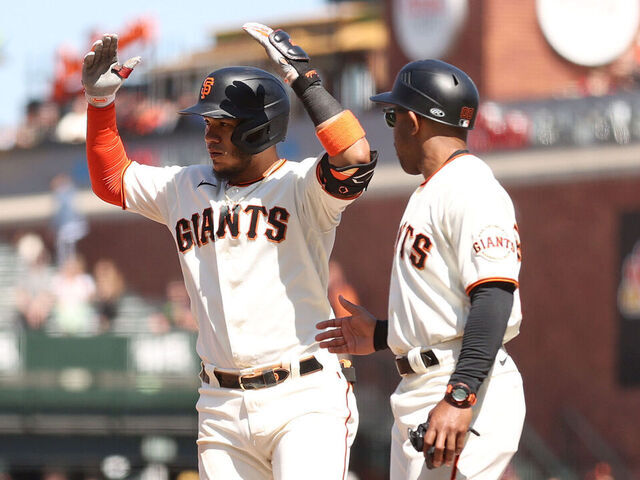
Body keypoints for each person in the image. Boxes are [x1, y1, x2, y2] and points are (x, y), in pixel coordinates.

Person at [82, 21, 377, 480]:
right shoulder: (184, 186)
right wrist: (101, 105)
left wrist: (305, 80)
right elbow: (110, 180)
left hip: (303, 398)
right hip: (220, 406)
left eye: (224, 123)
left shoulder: (301, 187)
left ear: (260, 128)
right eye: (208, 122)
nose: (210, 134)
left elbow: (355, 158)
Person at [316, 60, 525, 479]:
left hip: (460, 383)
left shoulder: (471, 187)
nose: (390, 129)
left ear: (412, 121)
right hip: (426, 384)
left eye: (393, 116)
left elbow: (494, 296)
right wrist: (380, 334)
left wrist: (461, 395)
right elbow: (447, 307)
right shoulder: (435, 187)